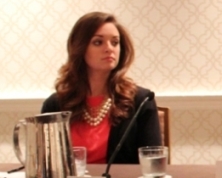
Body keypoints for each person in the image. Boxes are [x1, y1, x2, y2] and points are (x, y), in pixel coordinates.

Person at [41, 12, 161, 164]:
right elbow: (47, 167)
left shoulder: (141, 101)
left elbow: (153, 165)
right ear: (80, 48)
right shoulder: (55, 105)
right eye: (98, 42)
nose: (109, 48)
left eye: (115, 42)